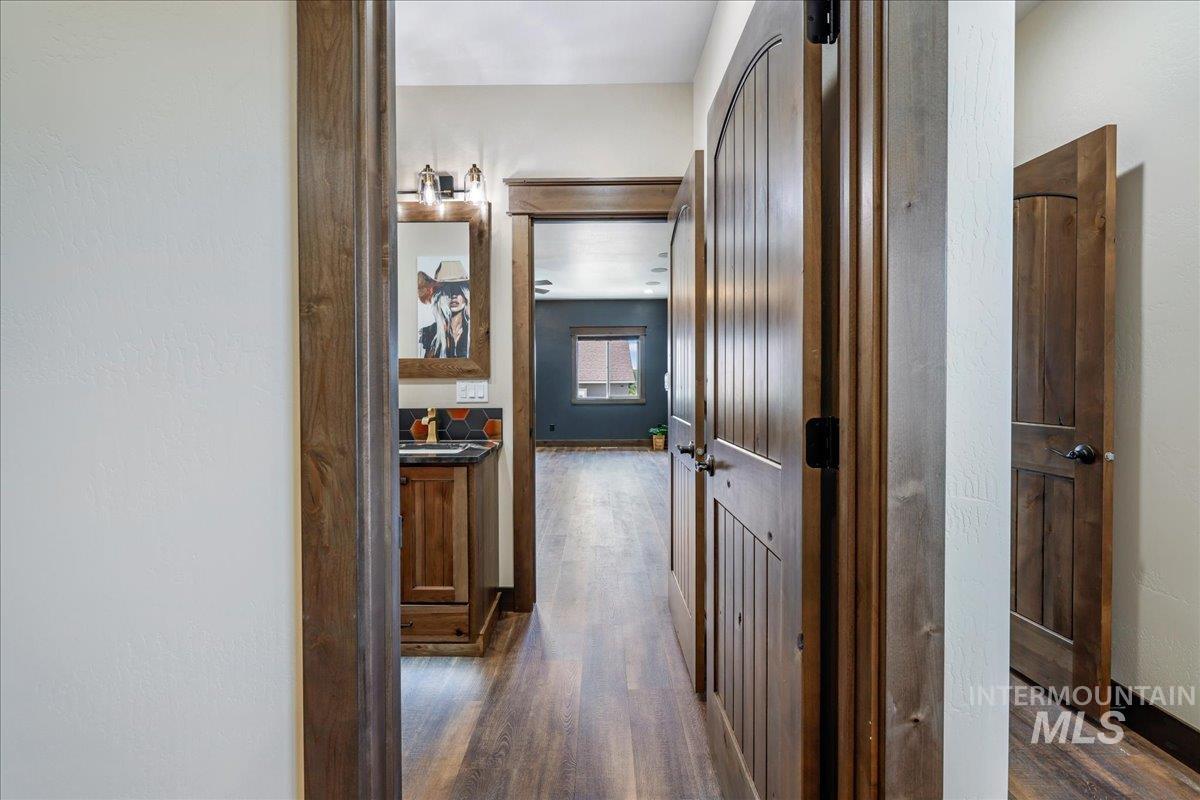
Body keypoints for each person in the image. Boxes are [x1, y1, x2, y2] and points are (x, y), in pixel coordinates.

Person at [417, 260, 470, 358]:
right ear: (439, 295)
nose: (453, 295)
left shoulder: (474, 333)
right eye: (447, 290)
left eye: (458, 289)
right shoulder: (427, 335)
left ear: (466, 294)